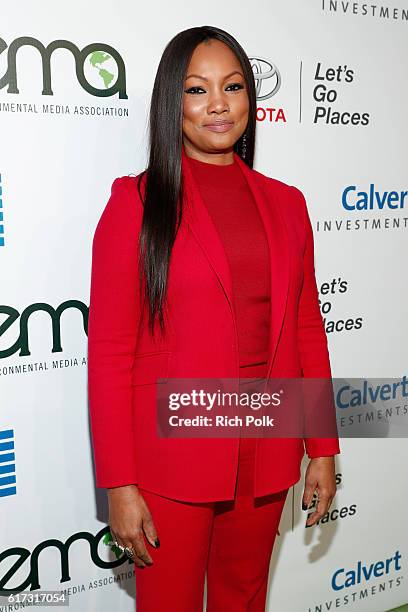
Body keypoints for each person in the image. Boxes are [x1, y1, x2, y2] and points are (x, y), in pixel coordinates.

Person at [87, 25, 340, 612]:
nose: (218, 104)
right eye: (197, 90)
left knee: (245, 599)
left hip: (267, 444)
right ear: (171, 102)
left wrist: (322, 444)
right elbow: (108, 354)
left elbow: (306, 328)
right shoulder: (136, 203)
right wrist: (120, 485)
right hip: (173, 455)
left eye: (232, 86)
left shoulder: (287, 203)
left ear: (251, 98)